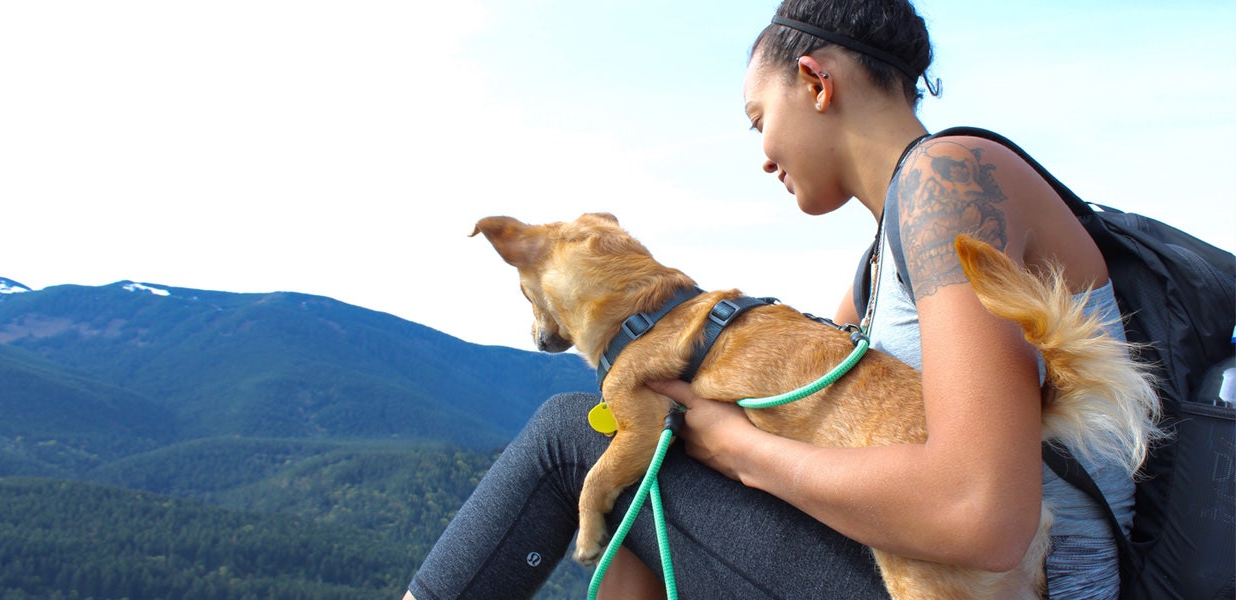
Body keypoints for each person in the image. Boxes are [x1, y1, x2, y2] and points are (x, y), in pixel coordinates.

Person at [405, 0, 1151, 598]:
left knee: (576, 432)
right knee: (652, 460)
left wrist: (738, 449)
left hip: (1029, 581)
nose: (763, 156)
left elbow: (983, 515)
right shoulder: (874, 271)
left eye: (759, 120)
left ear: (816, 82)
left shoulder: (947, 181)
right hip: (929, 562)